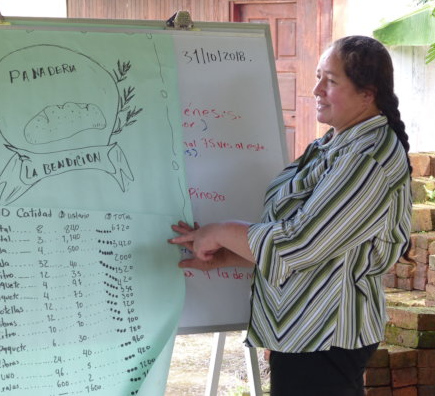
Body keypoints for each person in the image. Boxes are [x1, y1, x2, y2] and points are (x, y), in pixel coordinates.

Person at [170, 35, 413, 396]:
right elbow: (320, 244)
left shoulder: (366, 158)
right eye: (318, 77)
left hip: (324, 335)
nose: (316, 90)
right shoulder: (336, 143)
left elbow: (300, 245)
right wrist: (230, 254)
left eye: (331, 81)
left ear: (367, 94)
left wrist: (222, 231)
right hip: (305, 333)